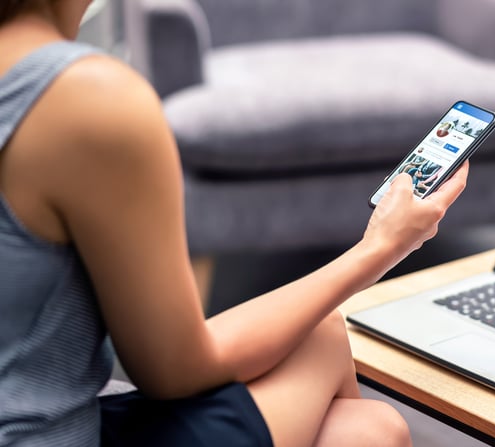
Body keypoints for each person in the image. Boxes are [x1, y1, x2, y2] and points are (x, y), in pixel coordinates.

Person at [0, 2, 470, 446]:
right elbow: (173, 371)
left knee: (366, 421)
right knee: (350, 388)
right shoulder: (84, 98)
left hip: (56, 409)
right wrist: (380, 248)